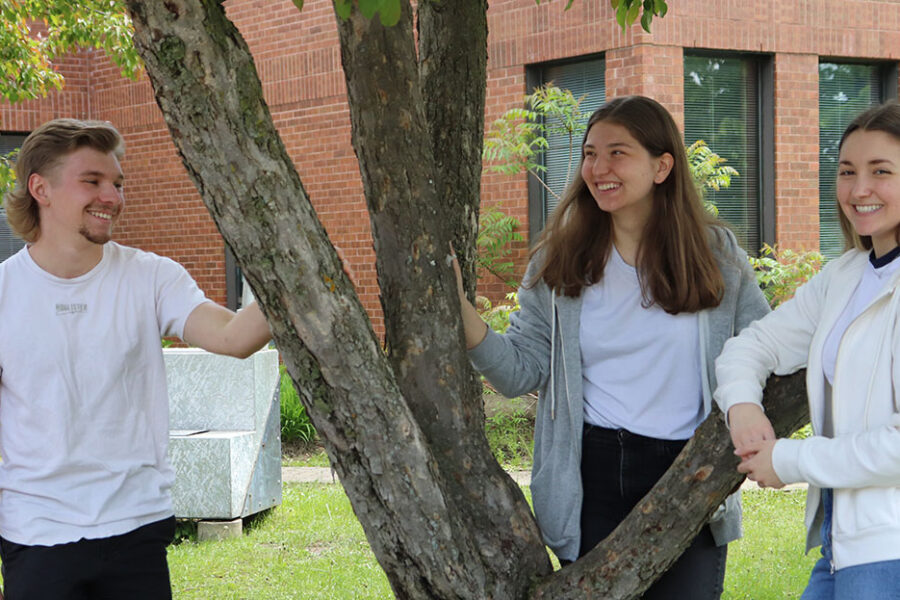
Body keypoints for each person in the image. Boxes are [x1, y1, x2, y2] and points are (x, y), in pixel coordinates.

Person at [454, 95, 769, 598]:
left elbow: (763, 348)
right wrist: (458, 309)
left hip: (689, 468)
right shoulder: (560, 260)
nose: (598, 169)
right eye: (589, 154)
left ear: (662, 166)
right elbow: (518, 373)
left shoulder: (716, 256)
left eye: (617, 153)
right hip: (590, 476)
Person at [0, 118, 273, 599]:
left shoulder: (150, 277)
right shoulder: (5, 293)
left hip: (135, 528)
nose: (112, 196)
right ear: (40, 189)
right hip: (36, 533)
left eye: (117, 183)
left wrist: (306, 276)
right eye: (92, 181)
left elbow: (233, 336)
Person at [715, 101, 900, 599]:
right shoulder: (846, 276)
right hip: (841, 543)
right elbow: (752, 344)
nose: (859, 189)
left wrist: (790, 460)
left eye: (881, 171)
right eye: (847, 171)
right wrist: (742, 406)